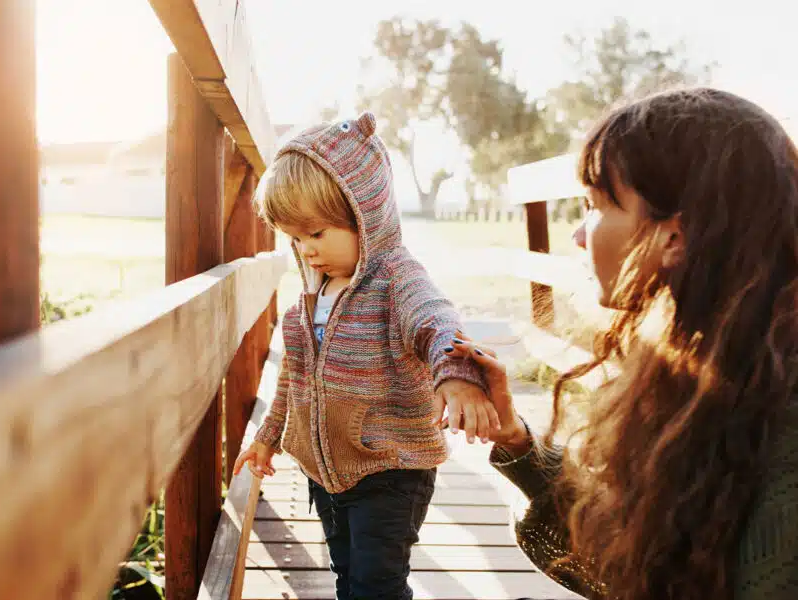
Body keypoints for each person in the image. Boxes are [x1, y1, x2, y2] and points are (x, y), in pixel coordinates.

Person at [447, 87, 798, 600]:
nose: (579, 236)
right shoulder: (709, 364)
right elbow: (640, 560)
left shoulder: (780, 433)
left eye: (593, 207)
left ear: (673, 237)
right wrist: (518, 442)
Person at [233, 111, 497, 599]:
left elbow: (434, 319)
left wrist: (455, 372)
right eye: (294, 237)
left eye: (317, 233)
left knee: (377, 585)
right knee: (348, 577)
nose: (306, 250)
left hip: (390, 469)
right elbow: (294, 379)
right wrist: (269, 437)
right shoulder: (310, 296)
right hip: (326, 473)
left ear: (365, 215)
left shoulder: (396, 278)